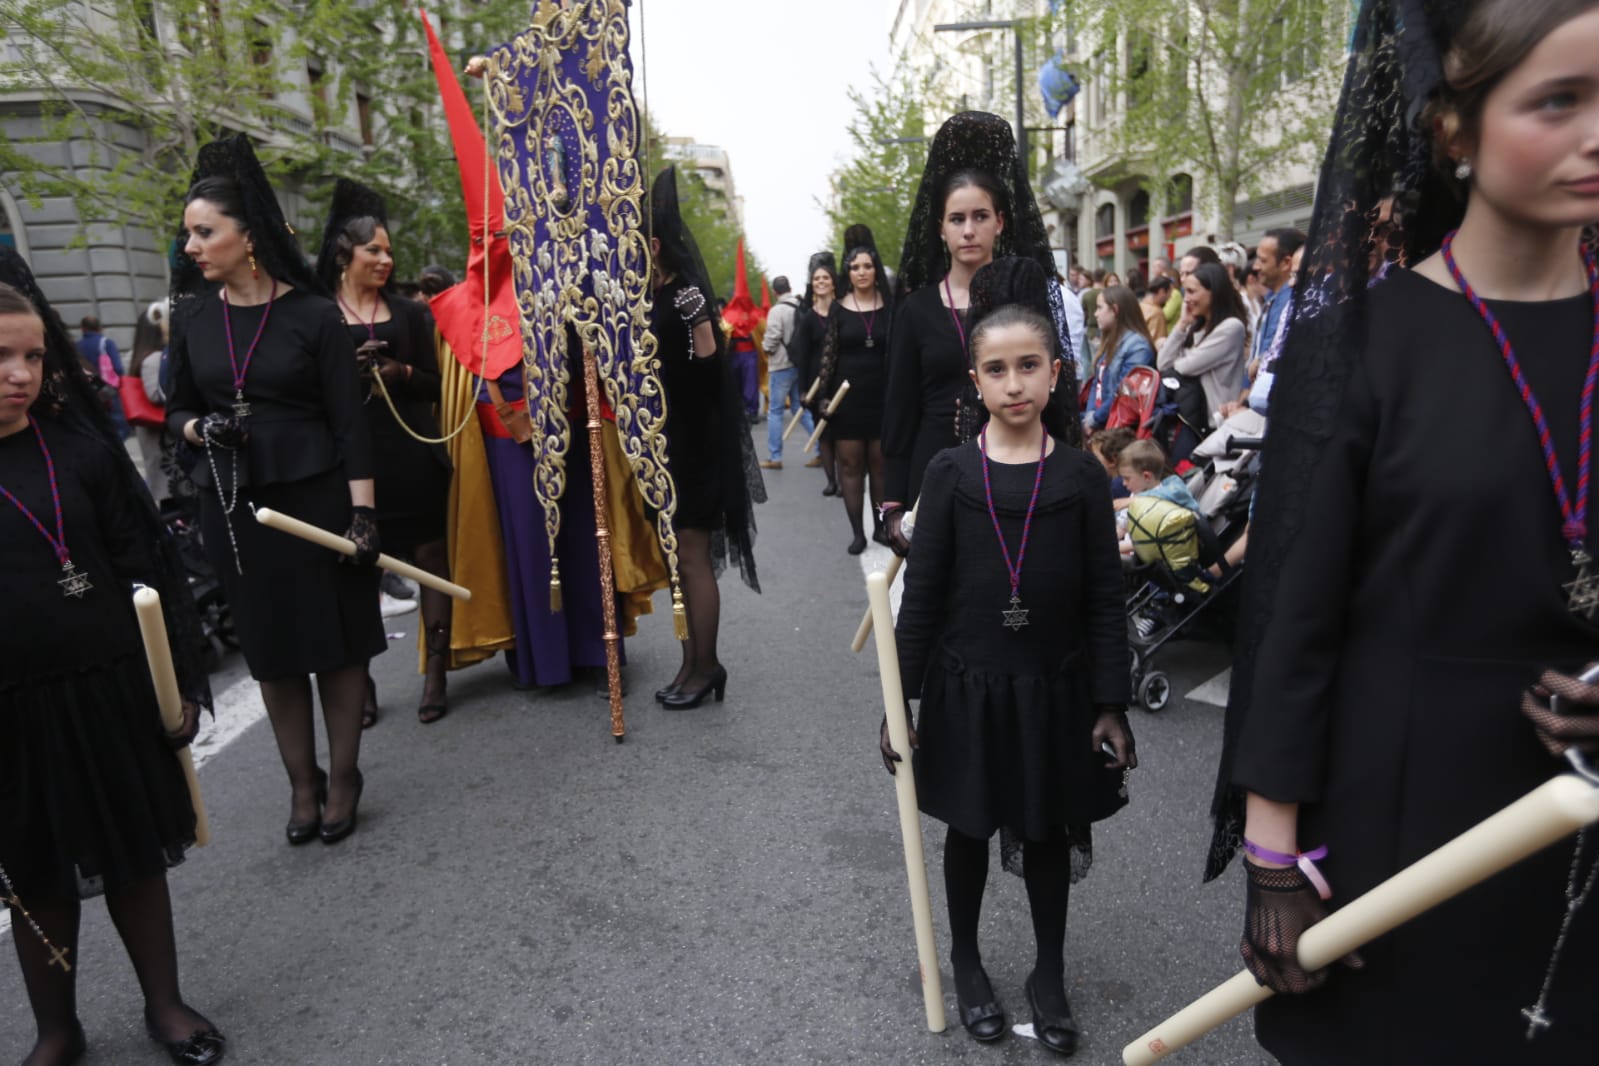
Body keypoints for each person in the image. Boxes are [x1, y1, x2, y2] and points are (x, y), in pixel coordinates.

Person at [1208, 1, 1599, 1062]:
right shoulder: (1363, 347)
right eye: (1558, 101)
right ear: (1454, 131)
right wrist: (1274, 858)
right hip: (1401, 832)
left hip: (1579, 852)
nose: (1594, 133)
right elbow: (1294, 619)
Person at [882, 302, 1135, 1055]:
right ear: (976, 381)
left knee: (1046, 832)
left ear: (1054, 373)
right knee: (967, 827)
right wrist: (901, 703)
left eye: (1029, 366)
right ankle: (965, 960)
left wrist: (1109, 704)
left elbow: (1103, 597)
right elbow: (922, 597)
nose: (1014, 382)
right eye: (996, 369)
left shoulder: (1081, 478)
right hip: (968, 687)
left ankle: (1047, 974)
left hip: (1053, 692)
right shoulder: (950, 472)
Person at [0, 255, 226, 1066]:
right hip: (11, 715)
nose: (20, 375)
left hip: (108, 691)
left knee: (133, 856)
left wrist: (176, 681)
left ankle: (164, 1004)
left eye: (31, 357)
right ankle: (57, 1030)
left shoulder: (84, 453)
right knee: (37, 877)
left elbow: (148, 572)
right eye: (0, 357)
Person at [165, 134, 381, 846]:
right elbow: (176, 410)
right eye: (189, 233)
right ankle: (302, 783)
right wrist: (201, 430)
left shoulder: (315, 315)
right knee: (274, 648)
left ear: (246, 236)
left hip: (318, 497)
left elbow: (349, 423)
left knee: (336, 643)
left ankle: (344, 776)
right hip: (233, 505)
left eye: (205, 231)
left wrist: (362, 516)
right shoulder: (192, 317)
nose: (192, 246)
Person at [881, 111, 1078, 555]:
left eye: (980, 216)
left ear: (1001, 223)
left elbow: (1055, 389)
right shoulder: (916, 309)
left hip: (1018, 468)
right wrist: (892, 502)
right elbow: (900, 407)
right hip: (932, 474)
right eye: (956, 219)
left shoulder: (1026, 297)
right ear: (941, 229)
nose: (968, 229)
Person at [317, 178, 454, 725]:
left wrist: (397, 372)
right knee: (360, 571)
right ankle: (363, 685)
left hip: (411, 453)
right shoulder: (318, 316)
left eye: (389, 250)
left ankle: (437, 673)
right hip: (349, 461)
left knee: (429, 560)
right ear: (344, 254)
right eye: (374, 248)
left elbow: (436, 384)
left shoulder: (410, 313)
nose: (385, 258)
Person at [647, 167, 763, 709]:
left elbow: (707, 373)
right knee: (676, 557)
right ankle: (690, 662)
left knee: (691, 554)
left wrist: (697, 336)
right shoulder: (647, 296)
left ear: (653, 245)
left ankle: (707, 664)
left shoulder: (686, 296)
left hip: (691, 444)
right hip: (660, 445)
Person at [816, 230, 891, 553]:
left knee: (880, 466)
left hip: (883, 398)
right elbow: (829, 355)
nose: (861, 272)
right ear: (848, 274)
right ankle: (858, 533)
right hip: (846, 401)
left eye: (867, 266)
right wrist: (822, 395)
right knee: (850, 466)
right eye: (855, 267)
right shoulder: (837, 309)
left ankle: (880, 527)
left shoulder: (891, 307)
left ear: (875, 270)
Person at [1157, 262, 1249, 462]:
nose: (1186, 299)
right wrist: (1182, 324)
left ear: (1213, 292)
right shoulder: (1194, 326)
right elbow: (1163, 363)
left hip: (1216, 424)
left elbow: (1184, 367)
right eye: (1185, 292)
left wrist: (1179, 356)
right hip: (1191, 421)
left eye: (1191, 292)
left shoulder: (1231, 327)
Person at [795, 253, 841, 494]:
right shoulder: (807, 319)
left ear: (833, 281)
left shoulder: (842, 311)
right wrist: (803, 389)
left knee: (842, 432)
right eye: (817, 278)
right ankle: (831, 480)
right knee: (823, 431)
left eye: (825, 277)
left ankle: (844, 479)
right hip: (816, 383)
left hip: (840, 381)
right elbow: (802, 357)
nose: (821, 281)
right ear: (812, 284)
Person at [1082, 285, 1156, 435]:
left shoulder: (1138, 347)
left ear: (1115, 310)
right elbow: (1097, 383)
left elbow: (1124, 393)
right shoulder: (1111, 341)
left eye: (1099, 308)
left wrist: (1094, 419)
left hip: (1118, 430)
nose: (1095, 314)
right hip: (1102, 423)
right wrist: (1090, 417)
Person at [759, 275, 810, 468]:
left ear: (775, 292)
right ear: (789, 287)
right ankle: (821, 449)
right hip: (799, 363)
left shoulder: (777, 310)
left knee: (775, 411)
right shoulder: (800, 306)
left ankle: (775, 457)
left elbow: (773, 335)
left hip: (781, 364)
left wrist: (766, 348)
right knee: (800, 408)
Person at [128, 301, 171, 505]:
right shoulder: (154, 359)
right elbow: (156, 394)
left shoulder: (149, 357)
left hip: (160, 438)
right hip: (162, 439)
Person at [1251, 227, 1307, 364]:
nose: (1255, 267)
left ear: (1286, 263)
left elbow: (1268, 356)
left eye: (1263, 261)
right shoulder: (1271, 299)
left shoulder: (1290, 302)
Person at [76, 315, 129, 439]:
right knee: (118, 425)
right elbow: (118, 368)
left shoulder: (77, 346)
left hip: (85, 390)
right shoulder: (106, 343)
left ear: (82, 329)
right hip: (107, 390)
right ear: (99, 328)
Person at [1114, 438, 1201, 515]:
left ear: (1147, 476)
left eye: (1127, 478)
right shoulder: (1138, 492)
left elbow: (1172, 493)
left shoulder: (1174, 486)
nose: (1124, 483)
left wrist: (1134, 501)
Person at [1142, 274, 1172, 343]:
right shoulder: (1157, 313)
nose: (1170, 297)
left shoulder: (1140, 305)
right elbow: (1157, 342)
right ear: (1162, 292)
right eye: (1169, 292)